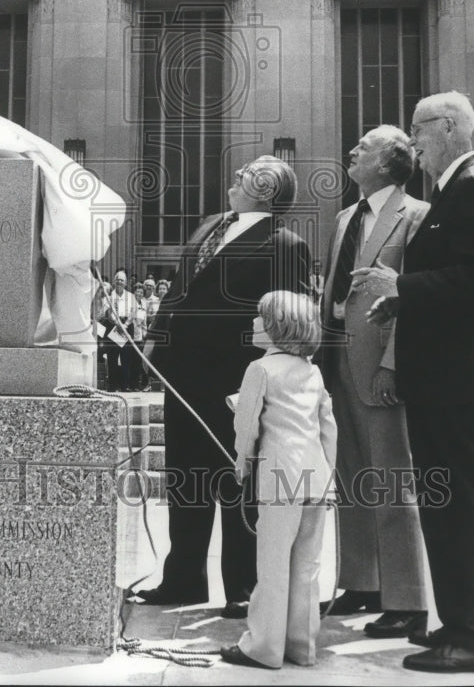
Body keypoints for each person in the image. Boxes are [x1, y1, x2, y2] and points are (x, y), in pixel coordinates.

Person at [354, 91, 474, 674]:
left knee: (457, 503)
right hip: (441, 374)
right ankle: (456, 622)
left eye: (418, 128)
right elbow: (454, 279)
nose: (413, 142)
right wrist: (400, 303)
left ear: (450, 129)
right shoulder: (453, 190)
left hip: (455, 377)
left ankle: (473, 633)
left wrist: (402, 287)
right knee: (447, 504)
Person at [135, 156, 310, 615]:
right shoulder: (209, 225)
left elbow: (289, 320)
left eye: (248, 175)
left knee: (239, 482)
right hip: (182, 374)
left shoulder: (285, 244)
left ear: (269, 190)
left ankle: (243, 586)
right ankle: (183, 579)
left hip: (240, 381)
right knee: (185, 479)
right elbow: (179, 287)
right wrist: (156, 340)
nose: (234, 177)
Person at [319, 126, 428, 636]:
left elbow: (410, 303)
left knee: (391, 480)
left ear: (387, 163)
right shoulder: (345, 218)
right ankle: (362, 582)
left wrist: (393, 364)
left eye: (363, 147)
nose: (352, 151)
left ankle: (407, 599)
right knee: (352, 476)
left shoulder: (418, 215)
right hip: (337, 359)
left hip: (381, 366)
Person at [221, 291, 336, 669]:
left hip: (278, 478)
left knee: (272, 565)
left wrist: (242, 460)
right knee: (307, 568)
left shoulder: (260, 369)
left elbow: (247, 423)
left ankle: (264, 648)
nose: (254, 322)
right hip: (315, 478)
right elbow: (328, 429)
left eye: (260, 317)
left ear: (276, 327)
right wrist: (329, 475)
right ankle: (302, 646)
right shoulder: (313, 371)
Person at [102, 271, 137, 391]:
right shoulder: (109, 296)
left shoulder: (131, 296)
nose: (119, 282)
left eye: (122, 280)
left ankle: (124, 386)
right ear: (113, 281)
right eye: (117, 279)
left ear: (126, 283)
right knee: (112, 357)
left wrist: (125, 325)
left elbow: (133, 313)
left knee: (126, 357)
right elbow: (108, 314)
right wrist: (117, 324)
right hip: (113, 326)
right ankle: (112, 386)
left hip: (127, 326)